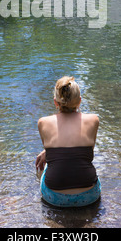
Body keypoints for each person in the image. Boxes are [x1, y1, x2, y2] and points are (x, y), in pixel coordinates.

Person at [35, 76, 101, 208]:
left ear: (55, 102)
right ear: (80, 101)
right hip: (89, 196)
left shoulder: (43, 122)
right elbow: (86, 152)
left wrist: (45, 153)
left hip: (54, 198)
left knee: (45, 165)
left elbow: (56, 152)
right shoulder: (94, 120)